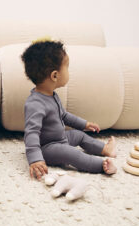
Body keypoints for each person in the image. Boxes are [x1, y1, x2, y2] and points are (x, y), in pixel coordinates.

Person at [21, 39, 117, 181]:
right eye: (67, 67)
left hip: (60, 139)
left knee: (79, 135)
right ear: (55, 75)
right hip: (48, 148)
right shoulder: (35, 103)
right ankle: (101, 165)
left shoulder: (51, 95)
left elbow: (64, 115)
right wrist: (35, 158)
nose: (69, 71)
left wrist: (84, 124)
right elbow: (31, 133)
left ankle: (104, 149)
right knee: (71, 153)